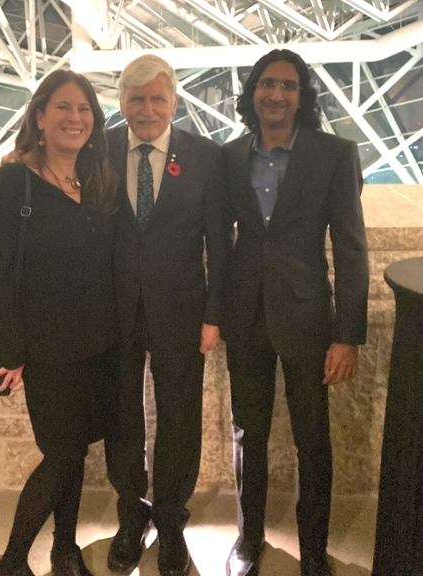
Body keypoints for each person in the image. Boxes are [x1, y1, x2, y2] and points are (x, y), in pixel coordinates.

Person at [221, 49, 369, 576]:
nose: (276, 94)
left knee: (313, 438)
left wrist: (347, 335)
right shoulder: (231, 156)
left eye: (287, 85)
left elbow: (351, 246)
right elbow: (218, 237)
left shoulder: (335, 154)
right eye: (266, 84)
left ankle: (312, 551)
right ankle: (247, 541)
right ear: (252, 92)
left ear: (302, 96)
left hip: (308, 318)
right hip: (245, 316)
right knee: (247, 434)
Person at [0, 69, 118, 576]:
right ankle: (12, 561)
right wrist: (9, 352)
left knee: (74, 451)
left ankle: (64, 549)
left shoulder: (93, 180)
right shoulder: (11, 184)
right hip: (46, 349)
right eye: (63, 107)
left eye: (84, 110)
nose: (75, 118)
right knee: (61, 454)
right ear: (38, 116)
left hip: (97, 343)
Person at [104, 55, 230, 576]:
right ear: (123, 104)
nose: (147, 108)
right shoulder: (100, 149)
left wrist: (214, 314)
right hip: (112, 311)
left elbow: (220, 242)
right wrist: (14, 160)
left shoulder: (206, 157)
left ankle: (172, 521)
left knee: (179, 418)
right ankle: (131, 514)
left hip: (183, 311)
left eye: (158, 97)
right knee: (121, 415)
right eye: (137, 98)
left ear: (174, 101)